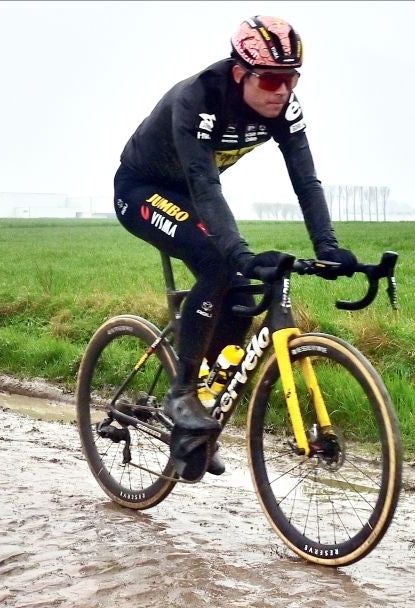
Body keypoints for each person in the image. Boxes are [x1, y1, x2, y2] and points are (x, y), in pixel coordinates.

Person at [113, 16, 356, 479]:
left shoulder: (283, 105)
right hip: (141, 190)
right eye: (271, 79)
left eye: (291, 79)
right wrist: (238, 251)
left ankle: (200, 417)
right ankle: (181, 393)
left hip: (189, 194)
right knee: (220, 263)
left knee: (241, 295)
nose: (282, 91)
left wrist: (328, 245)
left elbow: (306, 178)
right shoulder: (199, 98)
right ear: (241, 72)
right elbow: (206, 186)